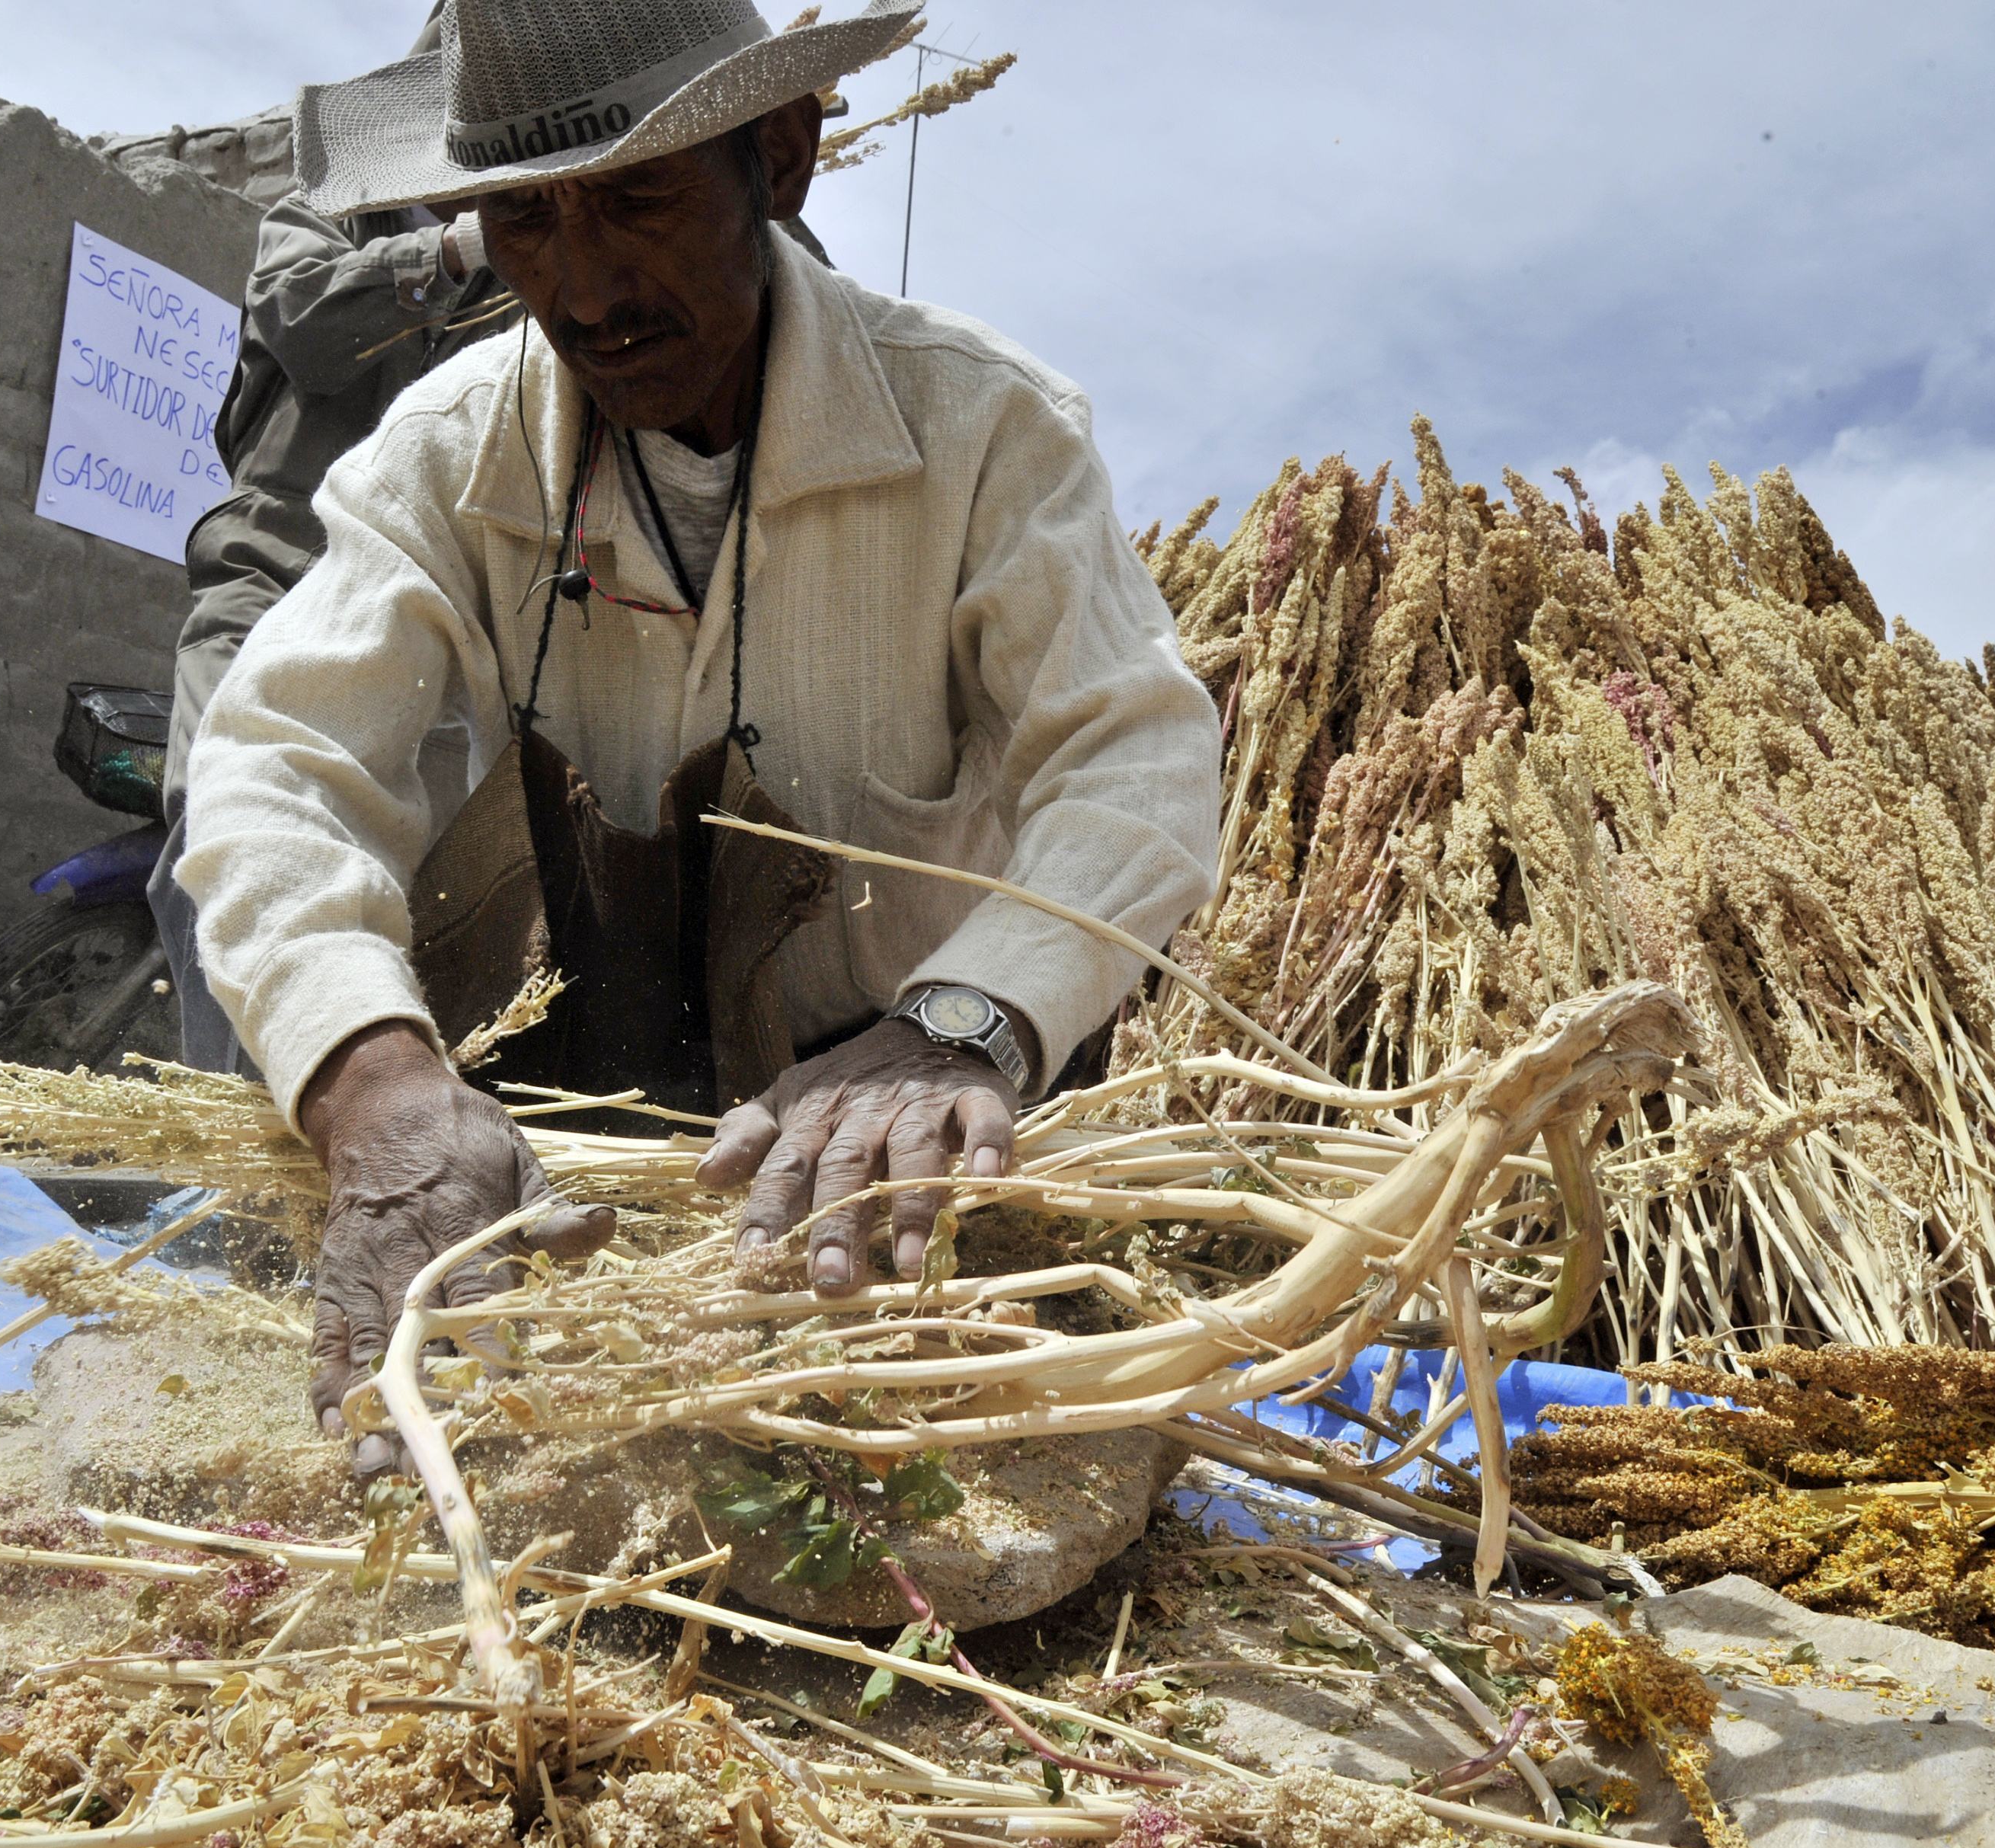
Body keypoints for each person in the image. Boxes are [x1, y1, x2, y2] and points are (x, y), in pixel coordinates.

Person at [181, 0, 1223, 1475]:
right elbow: (280, 762)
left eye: (638, 198)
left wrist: (960, 1025)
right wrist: (374, 1076)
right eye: (524, 222)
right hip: (594, 1121)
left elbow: (1137, 762)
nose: (585, 283)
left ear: (782, 158)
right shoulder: (452, 443)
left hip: (906, 1129)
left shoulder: (986, 429)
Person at [150, 0, 516, 1075]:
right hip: (274, 578)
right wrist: (460, 250)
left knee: (415, 903)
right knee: (223, 832)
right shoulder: (334, 210)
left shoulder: (534, 275)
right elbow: (301, 317)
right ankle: (243, 1166)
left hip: (423, 622)